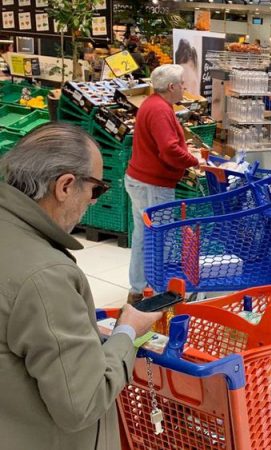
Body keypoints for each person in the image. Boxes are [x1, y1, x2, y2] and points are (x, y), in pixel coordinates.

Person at [0, 123, 163, 449]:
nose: (92, 201)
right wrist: (126, 333)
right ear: (65, 185)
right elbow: (82, 403)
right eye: (97, 190)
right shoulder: (46, 277)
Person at [125, 65, 202, 304]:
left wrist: (184, 150)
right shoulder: (160, 109)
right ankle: (156, 291)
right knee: (161, 238)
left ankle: (138, 288)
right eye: (182, 84)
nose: (185, 88)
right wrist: (192, 160)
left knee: (143, 236)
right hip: (153, 184)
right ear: (171, 87)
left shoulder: (153, 104)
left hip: (140, 179)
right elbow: (168, 149)